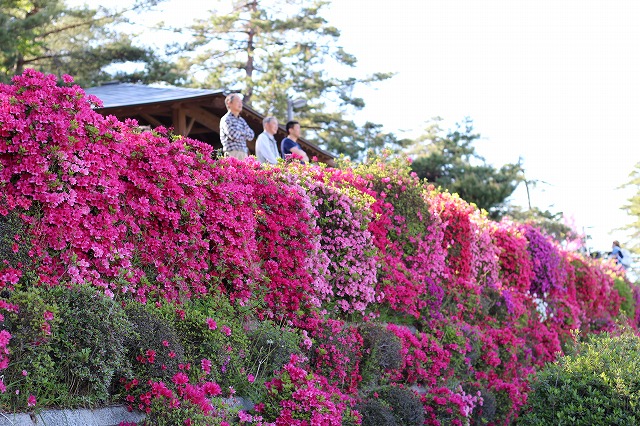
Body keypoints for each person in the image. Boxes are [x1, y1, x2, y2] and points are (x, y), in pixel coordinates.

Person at [219, 93, 254, 160]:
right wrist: (244, 133)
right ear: (229, 103)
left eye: (241, 102)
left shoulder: (242, 120)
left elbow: (251, 135)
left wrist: (239, 132)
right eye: (238, 101)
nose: (240, 104)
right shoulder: (226, 119)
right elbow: (234, 135)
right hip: (232, 153)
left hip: (244, 153)